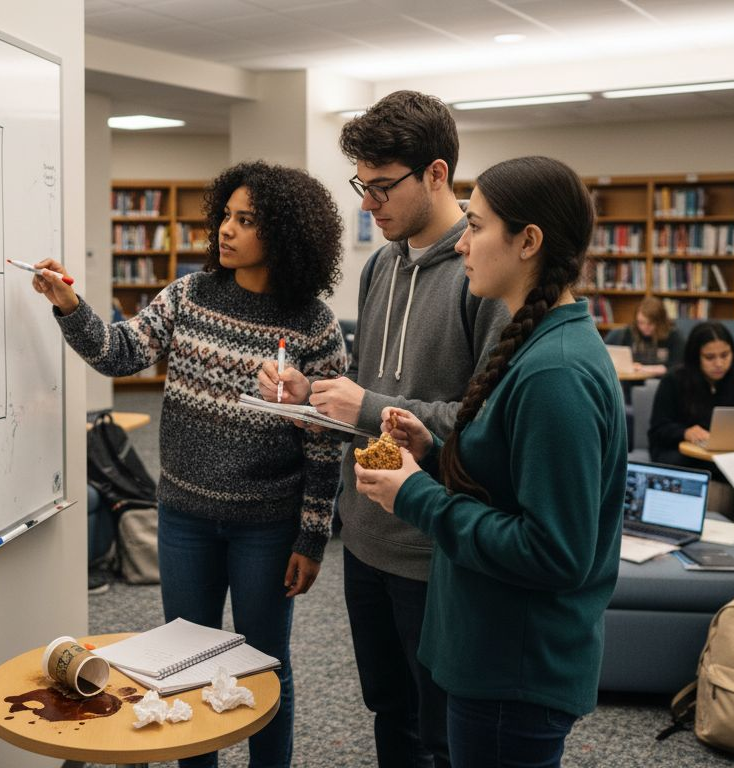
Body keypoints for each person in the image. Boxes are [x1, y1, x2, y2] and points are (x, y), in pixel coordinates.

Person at [31, 160, 347, 768]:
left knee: (263, 670)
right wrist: (70, 305)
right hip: (184, 520)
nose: (227, 230)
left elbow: (323, 442)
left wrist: (311, 536)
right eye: (226, 215)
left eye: (246, 220)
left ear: (282, 233)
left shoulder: (314, 326)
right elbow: (120, 353)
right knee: (183, 666)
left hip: (267, 527)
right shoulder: (189, 294)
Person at [354, 155, 627, 768]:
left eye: (475, 227)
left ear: (528, 241)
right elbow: (510, 475)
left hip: (515, 667)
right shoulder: (534, 342)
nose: (461, 246)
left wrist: (413, 496)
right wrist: (436, 450)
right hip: (488, 647)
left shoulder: (556, 371)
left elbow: (554, 551)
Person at [260, 90, 507, 768]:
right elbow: (370, 392)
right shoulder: (380, 265)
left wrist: (364, 404)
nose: (367, 203)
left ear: (435, 174)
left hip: (432, 549)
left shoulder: (482, 272)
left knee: (440, 731)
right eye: (360, 185)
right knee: (388, 714)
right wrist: (310, 395)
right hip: (363, 539)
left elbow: (482, 425)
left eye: (380, 187)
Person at [647, 321, 734, 515]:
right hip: (683, 455)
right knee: (684, 463)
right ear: (695, 356)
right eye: (709, 357)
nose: (719, 363)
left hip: (728, 457)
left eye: (725, 355)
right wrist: (684, 432)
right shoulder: (674, 380)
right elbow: (657, 430)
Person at [604, 295, 684, 375]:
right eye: (640, 322)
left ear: (660, 322)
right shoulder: (630, 331)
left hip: (660, 380)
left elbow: (675, 366)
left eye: (650, 323)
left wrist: (642, 368)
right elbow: (623, 360)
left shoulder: (673, 335)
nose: (644, 327)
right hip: (633, 378)